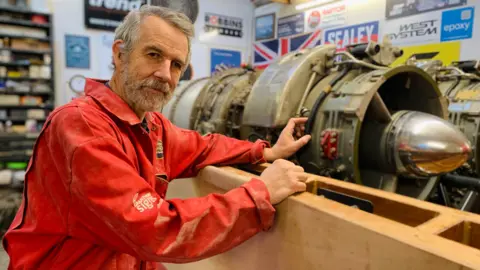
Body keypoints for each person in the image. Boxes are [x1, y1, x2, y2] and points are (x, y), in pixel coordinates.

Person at [2, 5, 312, 269]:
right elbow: (154, 229)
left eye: (176, 65)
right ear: (120, 54)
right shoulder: (81, 127)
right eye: (154, 55)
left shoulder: (151, 125)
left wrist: (265, 152)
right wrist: (261, 193)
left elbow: (203, 147)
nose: (165, 74)